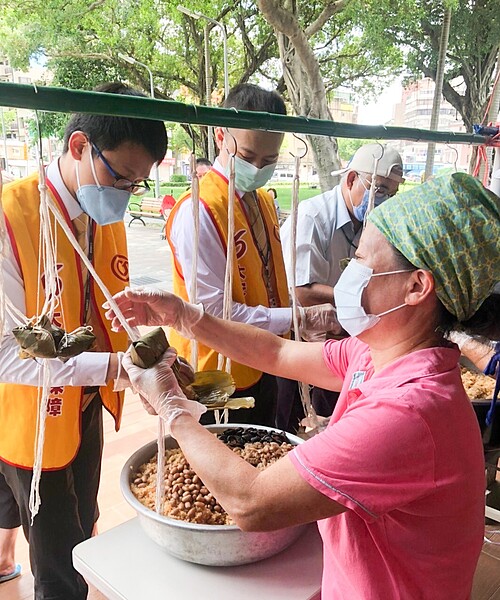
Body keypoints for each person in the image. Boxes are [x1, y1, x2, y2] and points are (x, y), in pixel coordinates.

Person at [110, 172, 499, 599]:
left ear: (416, 286)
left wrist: (173, 409)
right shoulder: (377, 354)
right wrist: (186, 317)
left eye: (363, 263)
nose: (349, 274)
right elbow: (278, 354)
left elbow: (251, 502)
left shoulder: (409, 413)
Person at [0, 82, 167, 600]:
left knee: (86, 518)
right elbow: (9, 358)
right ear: (78, 146)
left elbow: (113, 311)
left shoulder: (104, 216)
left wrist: (151, 353)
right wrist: (118, 368)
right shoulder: (12, 217)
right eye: (122, 177)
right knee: (57, 557)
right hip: (31, 418)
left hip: (87, 405)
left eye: (138, 184)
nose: (126, 193)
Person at [165, 83, 335, 427]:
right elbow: (211, 312)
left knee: (268, 452)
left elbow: (271, 280)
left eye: (269, 160)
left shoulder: (263, 201)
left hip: (266, 359)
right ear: (220, 137)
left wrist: (296, 325)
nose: (258, 168)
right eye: (247, 157)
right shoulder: (199, 210)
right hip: (217, 375)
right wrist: (296, 318)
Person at [278, 144, 404, 430]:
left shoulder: (371, 224)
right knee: (288, 416)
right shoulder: (312, 218)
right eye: (380, 190)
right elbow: (301, 290)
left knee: (336, 415)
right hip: (302, 336)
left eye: (391, 195)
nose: (383, 201)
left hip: (344, 338)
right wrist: (356, 297)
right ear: (351, 180)